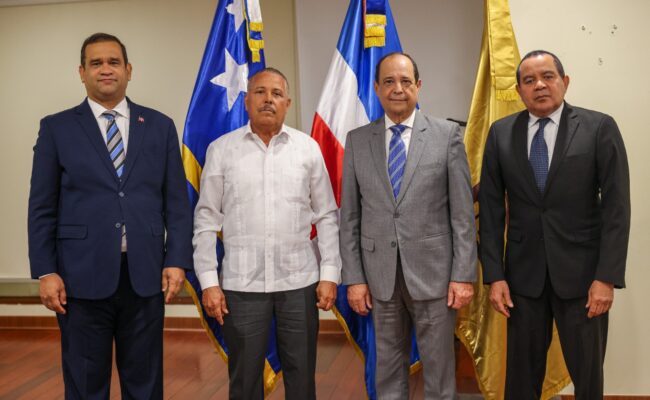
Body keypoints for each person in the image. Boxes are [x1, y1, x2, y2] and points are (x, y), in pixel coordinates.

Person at [27, 33, 193, 399]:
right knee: (85, 384)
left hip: (145, 276)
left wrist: (177, 259)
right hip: (79, 279)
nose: (106, 69)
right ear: (82, 72)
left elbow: (177, 203)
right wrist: (46, 271)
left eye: (114, 62)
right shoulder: (56, 128)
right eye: (96, 63)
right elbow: (41, 207)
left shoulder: (160, 125)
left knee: (145, 384)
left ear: (128, 70)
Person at [479, 50, 630, 399]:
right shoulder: (501, 133)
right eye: (529, 80)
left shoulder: (598, 128)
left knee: (587, 377)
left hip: (584, 279)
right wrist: (495, 276)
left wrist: (606, 278)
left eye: (548, 76)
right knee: (521, 379)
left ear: (565, 81)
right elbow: (490, 210)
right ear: (519, 90)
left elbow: (617, 209)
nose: (539, 85)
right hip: (522, 279)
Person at [192, 67, 340, 400]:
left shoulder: (307, 149)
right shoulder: (222, 150)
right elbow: (205, 219)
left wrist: (330, 274)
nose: (268, 99)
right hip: (241, 286)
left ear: (287, 103)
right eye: (260, 92)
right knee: (244, 381)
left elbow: (327, 216)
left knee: (302, 379)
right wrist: (209, 282)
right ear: (247, 101)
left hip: (299, 283)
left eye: (276, 93)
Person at [339, 52, 477, 399]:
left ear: (418, 85)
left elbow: (462, 214)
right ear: (376, 88)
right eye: (388, 82)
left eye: (405, 81)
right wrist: (355, 278)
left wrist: (463, 275)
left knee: (439, 371)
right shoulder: (357, 140)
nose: (397, 89)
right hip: (380, 277)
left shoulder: (446, 135)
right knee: (386, 370)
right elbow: (350, 217)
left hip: (435, 276)